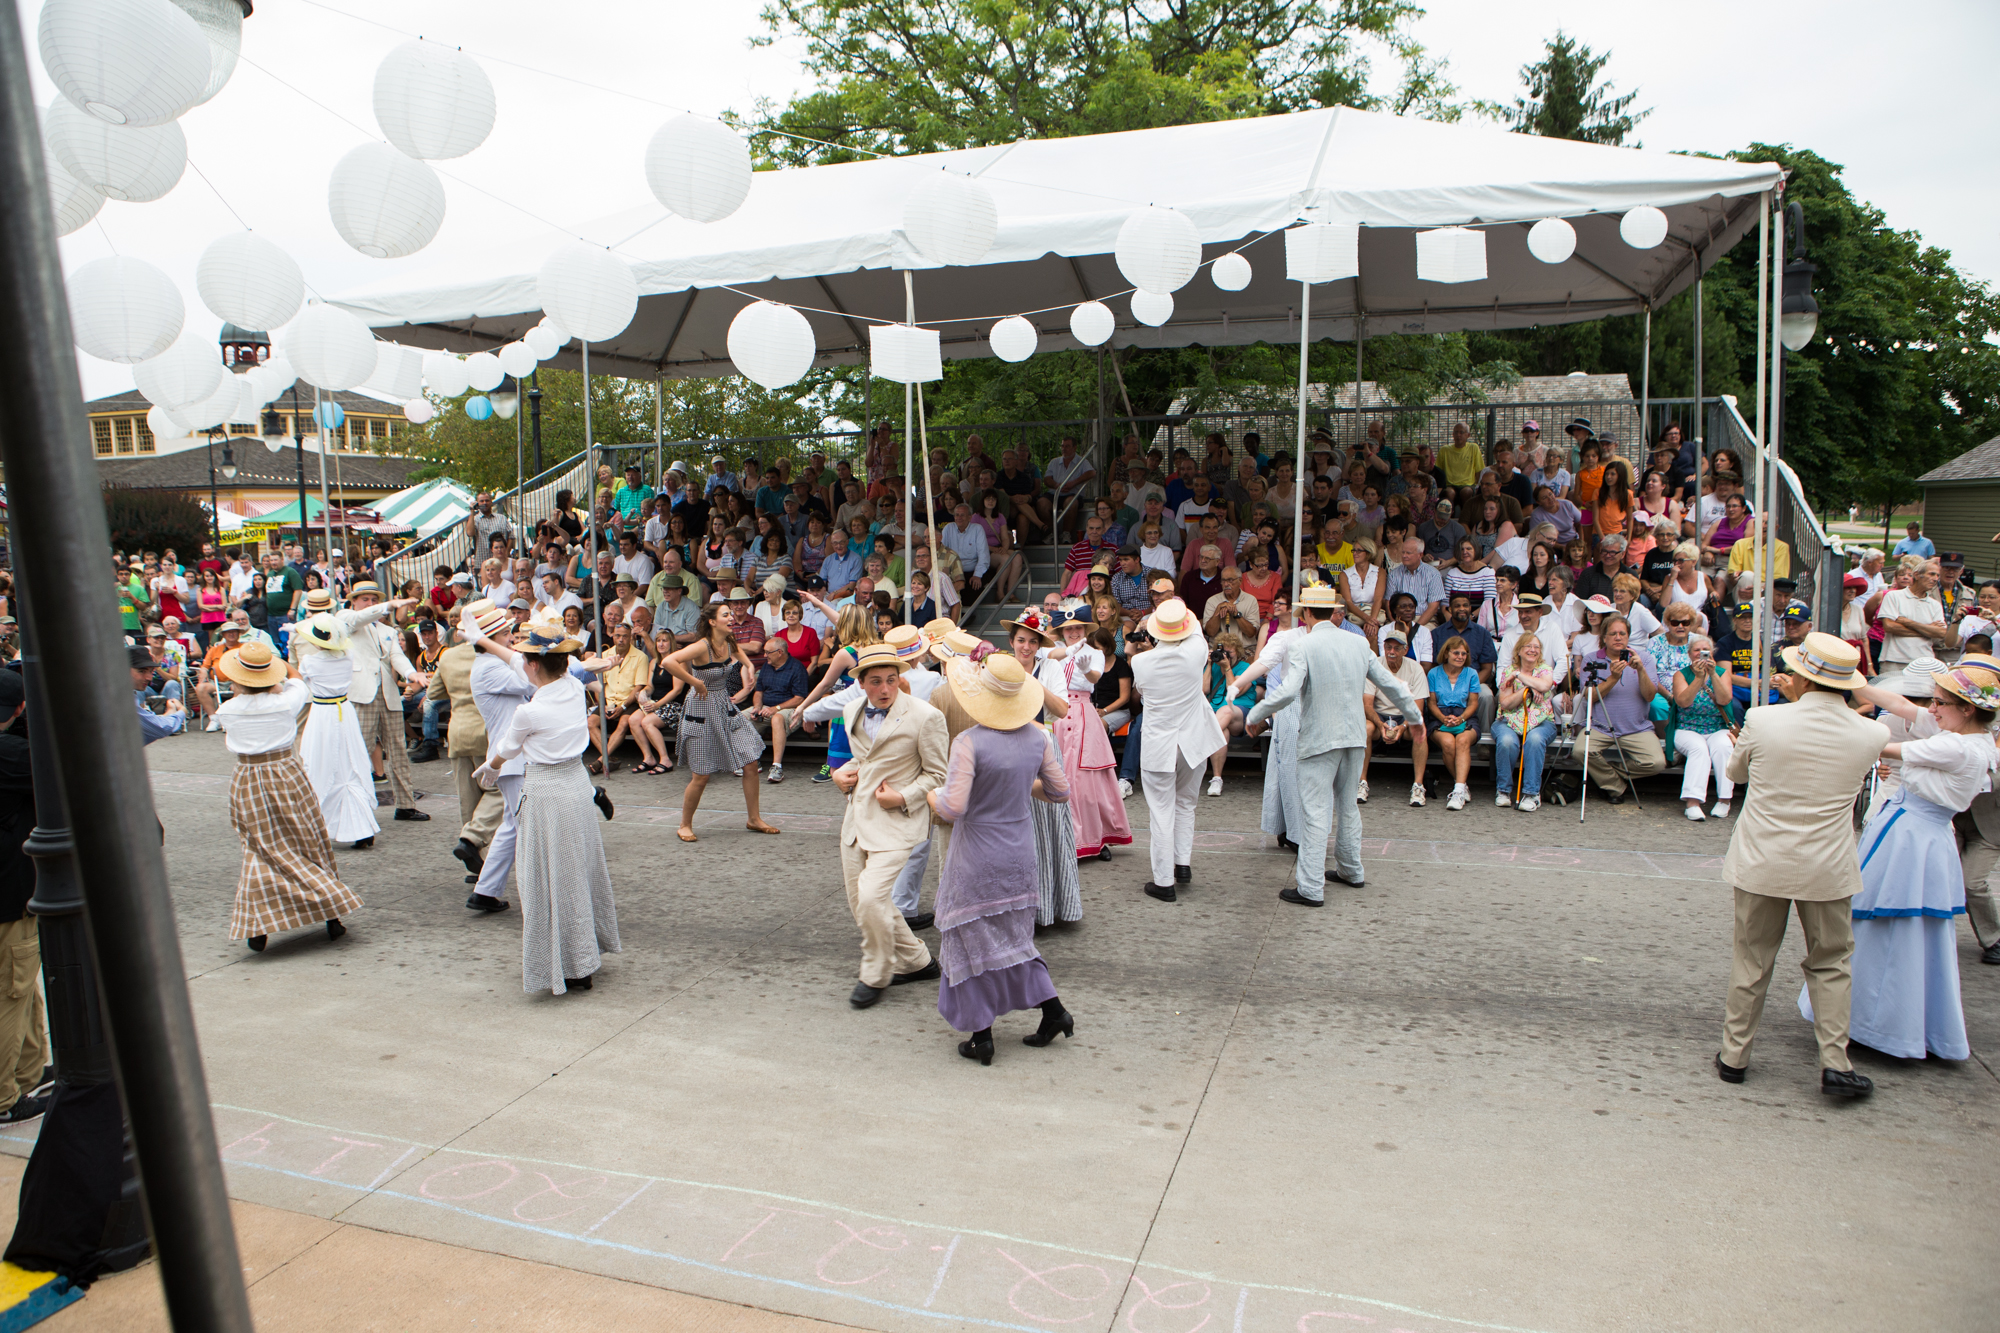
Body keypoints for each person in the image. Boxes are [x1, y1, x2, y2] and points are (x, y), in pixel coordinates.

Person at [1715, 633, 1887, 1098]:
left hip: (1763, 857)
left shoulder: (1763, 718)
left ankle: (1735, 1055)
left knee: (1751, 961)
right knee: (1831, 962)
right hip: (1827, 863)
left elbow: (1736, 774)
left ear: (1802, 675)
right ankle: (1835, 1061)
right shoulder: (1872, 732)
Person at [1819, 662, 2000, 1060]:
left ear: (1967, 708)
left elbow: (1882, 745)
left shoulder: (1956, 745)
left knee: (1892, 929)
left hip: (1912, 837)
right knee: (1903, 932)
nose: (1932, 709)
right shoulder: (1969, 736)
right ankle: (1884, 1023)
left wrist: (1823, 717)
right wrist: (1851, 680)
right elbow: (1901, 704)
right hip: (1916, 834)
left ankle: (1882, 1026)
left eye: (1940, 702)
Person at [463, 607, 621, 994]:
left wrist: (489, 769)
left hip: (548, 793)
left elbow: (504, 751)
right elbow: (519, 659)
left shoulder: (529, 711)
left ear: (534, 666)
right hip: (576, 788)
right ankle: (582, 960)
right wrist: (480, 638)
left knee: (547, 881)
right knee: (576, 874)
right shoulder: (568, 684)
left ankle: (570, 964)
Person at [928, 652, 1076, 1064]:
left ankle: (982, 1035)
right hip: (1018, 854)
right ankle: (1053, 1012)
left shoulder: (969, 741)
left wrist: (928, 795)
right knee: (1016, 940)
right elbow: (1060, 792)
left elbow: (951, 808)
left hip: (976, 855)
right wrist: (1019, 787)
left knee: (968, 940)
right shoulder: (1036, 737)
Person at [1246, 585, 1423, 904]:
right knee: (1347, 806)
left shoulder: (1305, 644)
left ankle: (1311, 887)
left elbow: (1288, 691)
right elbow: (1390, 684)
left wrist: (1257, 713)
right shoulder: (1358, 643)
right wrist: (1414, 717)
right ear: (1333, 612)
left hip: (1320, 738)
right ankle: (1351, 870)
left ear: (1308, 614)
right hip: (1354, 736)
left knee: (1316, 812)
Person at [207, 639, 363, 953]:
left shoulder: (228, 710)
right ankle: (331, 911)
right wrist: (278, 671)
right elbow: (295, 680)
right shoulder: (285, 701)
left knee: (259, 849)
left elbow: (231, 707)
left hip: (248, 776)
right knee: (308, 840)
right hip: (285, 771)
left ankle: (259, 924)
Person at [831, 642, 947, 1008]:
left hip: (898, 822)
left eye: (891, 681)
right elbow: (858, 758)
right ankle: (919, 961)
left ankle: (876, 972)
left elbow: (938, 774)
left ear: (900, 679)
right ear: (862, 683)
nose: (884, 689)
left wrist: (904, 797)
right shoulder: (850, 709)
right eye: (876, 681)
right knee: (864, 902)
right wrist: (835, 775)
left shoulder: (925, 716)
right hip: (856, 819)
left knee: (871, 898)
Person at [1128, 599, 1226, 903]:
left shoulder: (1141, 662)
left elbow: (1141, 689)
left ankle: (1164, 880)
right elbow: (1195, 624)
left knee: (1162, 812)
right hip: (1193, 740)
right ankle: (1181, 864)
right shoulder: (1196, 651)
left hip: (1160, 744)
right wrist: (1179, 610)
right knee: (1185, 804)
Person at [663, 603, 781, 841]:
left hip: (724, 706)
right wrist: (694, 681)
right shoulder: (701, 646)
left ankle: (753, 819)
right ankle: (684, 824)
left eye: (730, 614)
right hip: (700, 708)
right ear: (712, 622)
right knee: (701, 775)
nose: (731, 617)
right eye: (725, 615)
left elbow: (741, 656)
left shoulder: (729, 642)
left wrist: (748, 668)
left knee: (750, 760)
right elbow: (669, 662)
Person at [0, 671, 48, 1123]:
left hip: (14, 897)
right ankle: (3, 1097)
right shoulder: (14, 756)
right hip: (9, 894)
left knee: (22, 987)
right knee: (11, 994)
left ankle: (28, 1072)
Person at [340, 583, 430, 823]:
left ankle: (406, 805)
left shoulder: (385, 629)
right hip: (361, 694)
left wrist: (413, 675)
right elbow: (359, 618)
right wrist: (387, 605)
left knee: (398, 750)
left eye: (374, 600)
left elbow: (396, 656)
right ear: (354, 601)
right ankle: (358, 807)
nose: (370, 604)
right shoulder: (346, 618)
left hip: (388, 694)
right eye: (366, 599)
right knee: (360, 752)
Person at [426, 606, 503, 887]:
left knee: (468, 801)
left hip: (458, 735)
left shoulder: (448, 657)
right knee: (500, 792)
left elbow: (434, 694)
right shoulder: (495, 654)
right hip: (489, 734)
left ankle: (475, 864)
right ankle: (473, 838)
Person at [1048, 608, 1132, 862]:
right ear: (1062, 631)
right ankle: (1062, 838)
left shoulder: (1094, 654)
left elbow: (1095, 676)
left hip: (1084, 715)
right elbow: (1041, 653)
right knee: (1057, 777)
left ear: (1085, 630)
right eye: (1068, 628)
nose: (1074, 632)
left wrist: (1086, 671)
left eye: (1078, 628)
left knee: (1088, 782)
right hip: (1057, 716)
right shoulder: (1056, 652)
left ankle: (1097, 838)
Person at [293, 614, 380, 849]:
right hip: (344, 711)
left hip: (323, 714)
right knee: (349, 765)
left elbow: (301, 681)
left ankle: (318, 826)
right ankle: (361, 827)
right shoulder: (347, 656)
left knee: (320, 763)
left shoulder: (310, 662)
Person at [1576, 617, 1665, 803]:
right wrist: (1614, 678)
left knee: (1656, 763)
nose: (1618, 638)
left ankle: (1608, 777)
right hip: (1600, 727)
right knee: (1580, 751)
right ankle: (1616, 786)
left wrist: (1640, 670)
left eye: (1622, 634)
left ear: (1628, 637)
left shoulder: (1645, 659)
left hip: (1637, 727)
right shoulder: (1591, 659)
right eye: (1613, 634)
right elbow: (1589, 697)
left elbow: (1650, 696)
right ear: (1604, 638)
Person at [1669, 633, 1738, 821]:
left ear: (1712, 654)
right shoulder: (1681, 674)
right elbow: (1683, 702)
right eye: (1696, 650)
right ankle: (1692, 802)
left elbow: (1725, 700)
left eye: (1704, 651)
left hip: (1717, 726)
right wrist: (1699, 678)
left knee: (1723, 746)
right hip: (1687, 727)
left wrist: (1712, 674)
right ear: (1690, 654)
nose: (1700, 654)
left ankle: (1724, 799)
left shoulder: (1721, 673)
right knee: (1698, 748)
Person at [1361, 628, 1430, 806]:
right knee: (1366, 728)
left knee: (1420, 732)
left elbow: (1418, 708)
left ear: (1405, 650)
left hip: (1404, 715)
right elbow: (1367, 704)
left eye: (1397, 648)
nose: (1391, 652)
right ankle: (1361, 782)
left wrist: (1404, 726)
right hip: (1379, 715)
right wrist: (1380, 723)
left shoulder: (1415, 668)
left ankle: (1418, 785)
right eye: (1388, 647)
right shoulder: (1374, 664)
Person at [1492, 631, 1559, 811]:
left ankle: (1531, 794)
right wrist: (1525, 691)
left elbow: (1545, 686)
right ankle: (1504, 790)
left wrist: (1521, 678)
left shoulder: (1545, 670)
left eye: (1536, 647)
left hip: (1541, 721)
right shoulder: (1508, 671)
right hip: (1509, 720)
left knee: (1535, 740)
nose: (1532, 650)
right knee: (1507, 741)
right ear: (1519, 651)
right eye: (1528, 646)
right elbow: (1505, 703)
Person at [1426, 635, 1481, 810]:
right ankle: (1462, 785)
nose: (1460, 656)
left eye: (1464, 654)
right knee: (1448, 743)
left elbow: (1473, 703)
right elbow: (1431, 703)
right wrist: (1443, 718)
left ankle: (1457, 791)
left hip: (1465, 715)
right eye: (1456, 652)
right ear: (1447, 653)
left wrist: (1461, 718)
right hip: (1439, 716)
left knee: (1462, 740)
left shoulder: (1471, 673)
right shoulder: (1434, 673)